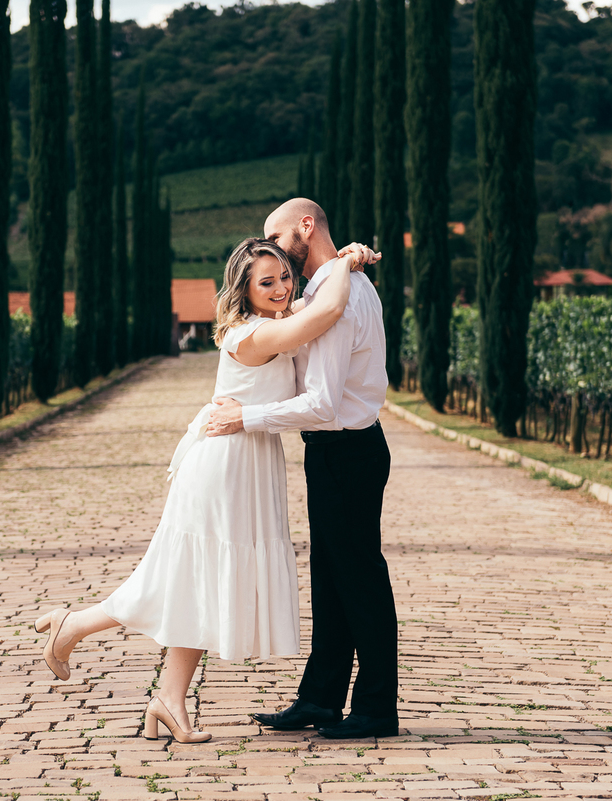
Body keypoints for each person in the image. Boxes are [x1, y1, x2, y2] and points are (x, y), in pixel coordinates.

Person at [34, 236, 378, 743]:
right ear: (245, 288)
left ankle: (168, 699)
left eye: (285, 276)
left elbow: (312, 306)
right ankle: (75, 626)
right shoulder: (250, 334)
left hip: (248, 459)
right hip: (224, 465)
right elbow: (324, 310)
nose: (282, 287)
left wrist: (335, 268)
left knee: (198, 582)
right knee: (182, 578)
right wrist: (346, 260)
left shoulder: (275, 321)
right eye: (267, 282)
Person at [206, 198, 398, 740]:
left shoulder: (342, 295)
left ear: (306, 227)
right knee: (332, 582)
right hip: (333, 453)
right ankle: (319, 699)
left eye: (277, 234)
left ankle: (378, 708)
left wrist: (248, 417)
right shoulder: (325, 290)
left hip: (350, 450)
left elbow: (324, 404)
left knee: (360, 581)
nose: (271, 245)